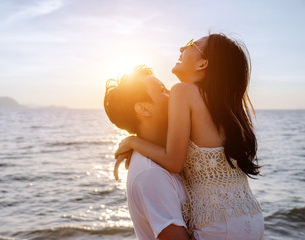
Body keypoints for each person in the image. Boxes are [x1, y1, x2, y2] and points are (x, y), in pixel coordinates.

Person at [115, 34, 264, 239]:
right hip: (250, 214)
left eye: (190, 44)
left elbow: (173, 162)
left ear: (203, 63)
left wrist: (132, 141)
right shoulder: (222, 107)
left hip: (218, 221)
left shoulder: (183, 92)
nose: (180, 49)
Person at [104, 65, 190, 240]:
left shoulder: (173, 152)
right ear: (143, 109)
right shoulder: (151, 174)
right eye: (162, 90)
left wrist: (132, 141)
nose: (172, 92)